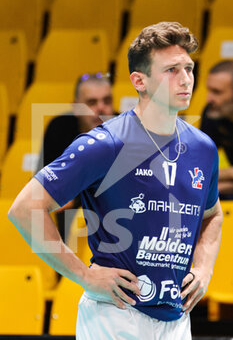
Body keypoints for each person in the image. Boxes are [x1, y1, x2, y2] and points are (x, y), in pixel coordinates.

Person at [8, 22, 223, 340]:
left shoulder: (203, 148)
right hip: (115, 315)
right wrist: (83, 276)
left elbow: (213, 214)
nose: (186, 79)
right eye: (171, 70)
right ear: (140, 80)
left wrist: (204, 269)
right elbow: (25, 209)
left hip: (177, 318)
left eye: (189, 68)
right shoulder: (105, 143)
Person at [36, 73, 114, 239]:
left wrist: (72, 194)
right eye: (92, 102)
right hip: (68, 222)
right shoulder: (58, 128)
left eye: (107, 101)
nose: (101, 108)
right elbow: (42, 187)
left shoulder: (124, 128)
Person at [200, 60, 233, 199]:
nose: (209, 99)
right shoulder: (212, 113)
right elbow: (201, 164)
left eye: (217, 92)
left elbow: (203, 175)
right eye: (209, 90)